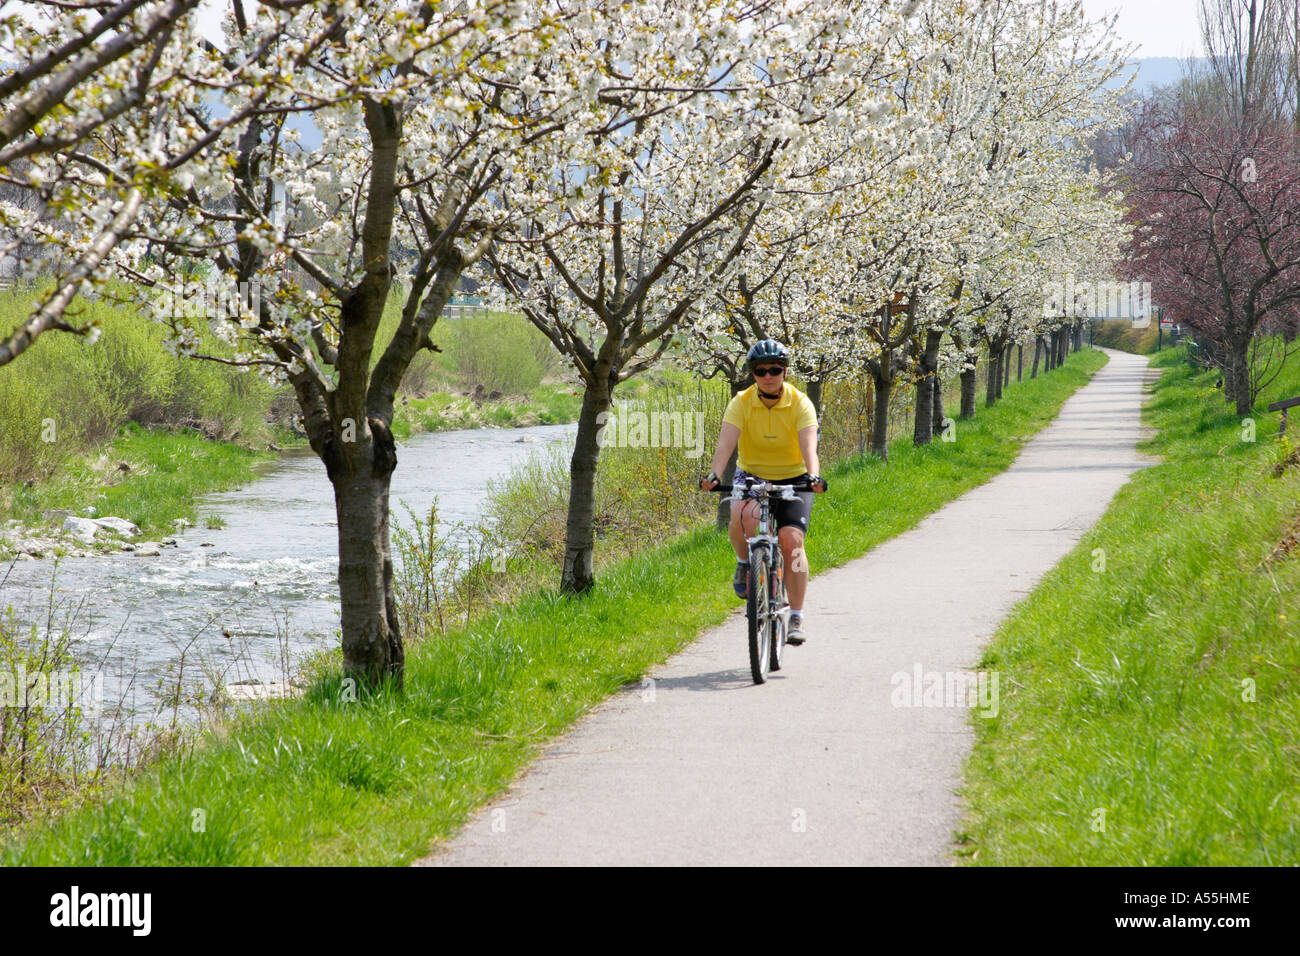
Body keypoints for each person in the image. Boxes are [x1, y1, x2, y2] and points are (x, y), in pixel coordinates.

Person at [700, 339, 826, 645]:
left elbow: (809, 446)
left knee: (792, 541)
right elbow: (725, 444)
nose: (768, 376)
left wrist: (814, 476)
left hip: (794, 476)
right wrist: (715, 473)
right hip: (752, 474)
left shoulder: (800, 403)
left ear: (784, 371)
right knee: (740, 513)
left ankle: (795, 615)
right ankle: (745, 562)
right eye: (760, 371)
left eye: (775, 370)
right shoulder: (741, 402)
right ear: (753, 374)